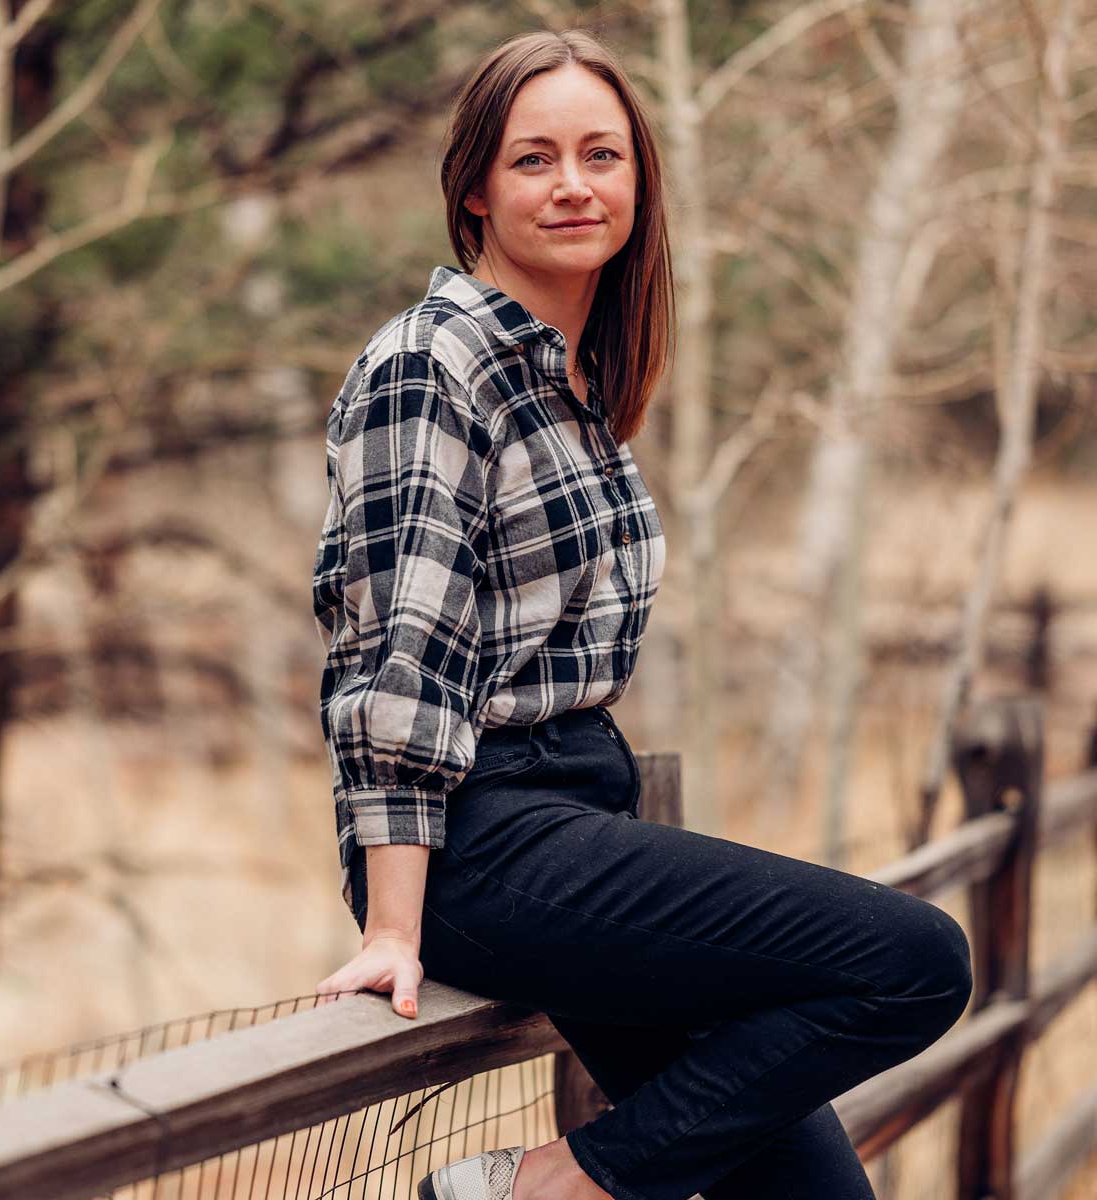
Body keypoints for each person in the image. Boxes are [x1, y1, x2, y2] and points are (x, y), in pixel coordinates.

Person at [311, 27, 972, 1200]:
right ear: (473, 191)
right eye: (535, 159)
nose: (574, 184)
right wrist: (395, 925)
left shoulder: (572, 381)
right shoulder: (434, 361)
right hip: (483, 841)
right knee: (914, 961)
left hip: (576, 820)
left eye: (602, 155)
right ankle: (551, 1186)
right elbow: (399, 659)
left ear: (637, 181)